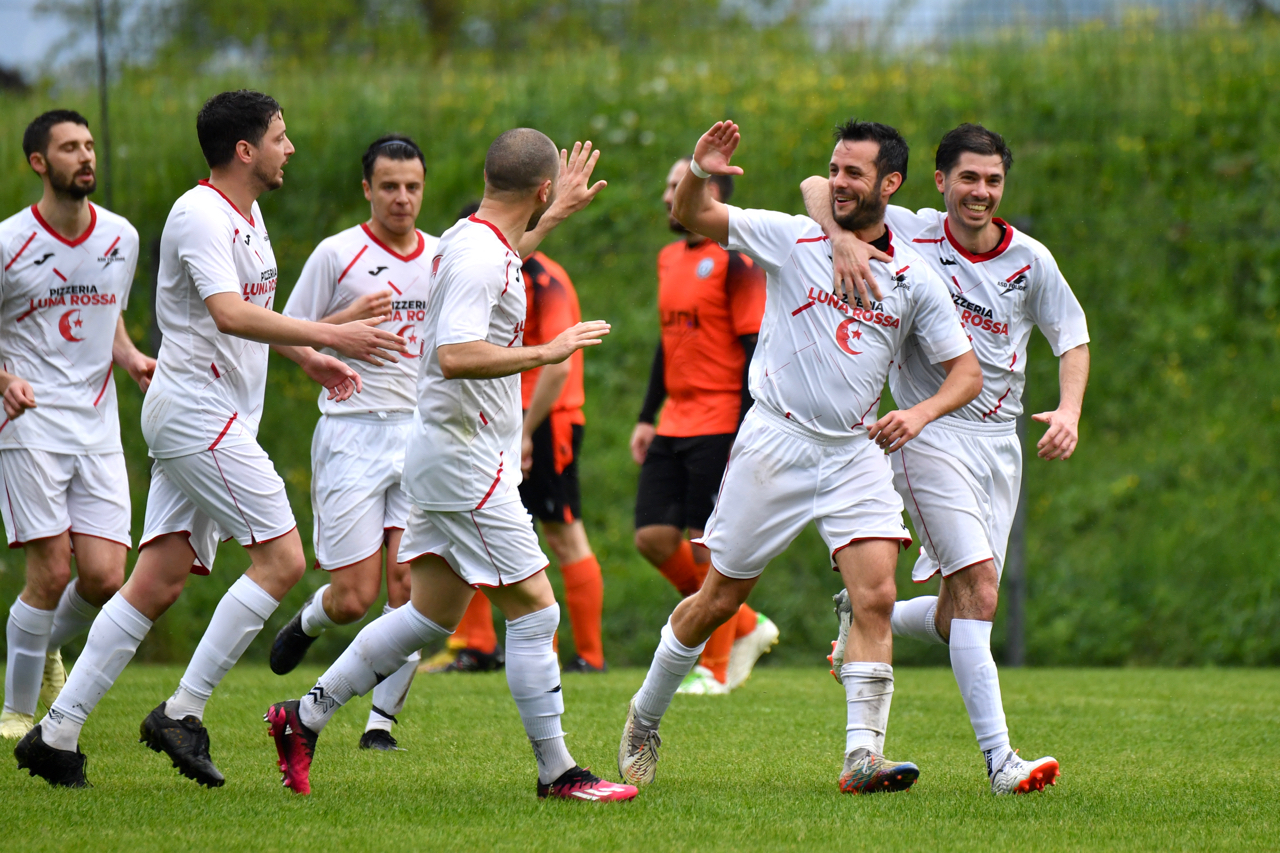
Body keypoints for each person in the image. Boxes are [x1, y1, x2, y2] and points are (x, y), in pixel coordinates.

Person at [14, 89, 405, 789]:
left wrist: (308, 356)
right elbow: (227, 313)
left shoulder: (247, 213)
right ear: (245, 150)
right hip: (197, 413)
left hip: (213, 415)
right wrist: (333, 332)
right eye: (280, 137)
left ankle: (57, 732)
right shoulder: (199, 213)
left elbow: (250, 316)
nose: (290, 148)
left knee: (157, 580)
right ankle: (182, 711)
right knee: (283, 560)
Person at [266, 131, 637, 802]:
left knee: (428, 617)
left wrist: (555, 214)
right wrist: (546, 351)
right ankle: (558, 773)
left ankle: (304, 715)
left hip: (446, 451)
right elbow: (455, 355)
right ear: (541, 187)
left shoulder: (472, 238)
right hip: (465, 458)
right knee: (536, 610)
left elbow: (504, 258)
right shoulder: (476, 255)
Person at [618, 119, 982, 795]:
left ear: (891, 184)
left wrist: (919, 413)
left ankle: (862, 756)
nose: (838, 181)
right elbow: (692, 214)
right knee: (718, 598)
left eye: (854, 173)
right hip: (775, 442)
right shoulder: (794, 237)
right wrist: (699, 170)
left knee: (877, 595)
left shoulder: (914, 278)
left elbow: (967, 372)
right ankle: (645, 716)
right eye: (834, 169)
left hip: (854, 451)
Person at [802, 122, 1088, 795]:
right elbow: (817, 187)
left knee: (961, 609)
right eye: (968, 178)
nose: (980, 192)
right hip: (925, 432)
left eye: (993, 180)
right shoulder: (912, 230)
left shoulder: (1030, 261)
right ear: (940, 182)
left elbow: (1071, 336)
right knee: (980, 589)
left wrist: (1069, 411)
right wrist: (841, 236)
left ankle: (860, 618)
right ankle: (1001, 762)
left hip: (999, 444)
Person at [266, 134, 439, 752]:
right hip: (352, 433)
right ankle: (313, 617)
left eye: (412, 186)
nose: (401, 198)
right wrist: (334, 337)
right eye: (389, 186)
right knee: (354, 599)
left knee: (409, 586)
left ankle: (380, 723)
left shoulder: (442, 257)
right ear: (367, 188)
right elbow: (281, 331)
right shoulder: (337, 254)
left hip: (420, 435)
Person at [0, 110, 155, 740]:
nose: (86, 156)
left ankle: (41, 647)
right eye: (69, 148)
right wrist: (5, 380)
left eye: (89, 145)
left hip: (97, 425)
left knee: (104, 576)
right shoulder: (8, 243)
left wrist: (131, 358)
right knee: (50, 574)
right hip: (29, 423)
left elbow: (106, 315)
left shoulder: (121, 236)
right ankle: (17, 712)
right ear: (39, 163)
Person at [630, 157, 777, 695]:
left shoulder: (737, 261)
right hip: (674, 420)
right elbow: (668, 342)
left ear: (708, 191)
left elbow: (753, 351)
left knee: (705, 548)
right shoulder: (669, 258)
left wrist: (744, 430)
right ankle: (746, 622)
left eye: (678, 186)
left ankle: (713, 669)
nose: (669, 196)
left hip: (719, 422)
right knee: (652, 537)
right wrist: (646, 414)